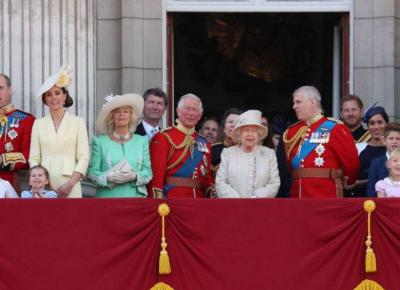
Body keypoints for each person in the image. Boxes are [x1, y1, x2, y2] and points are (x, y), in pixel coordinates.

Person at [282, 86, 359, 198]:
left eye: (298, 102)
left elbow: (351, 163)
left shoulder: (334, 128)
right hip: (297, 196)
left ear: (313, 102)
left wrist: (348, 181)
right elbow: (288, 168)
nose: (294, 106)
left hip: (325, 196)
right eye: (294, 103)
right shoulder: (292, 131)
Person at [29, 65, 89, 198]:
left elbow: (84, 157)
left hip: (71, 183)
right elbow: (34, 157)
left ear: (65, 95)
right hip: (43, 185)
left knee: (72, 218)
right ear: (45, 99)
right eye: (49, 94)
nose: (53, 97)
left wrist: (71, 183)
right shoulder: (38, 123)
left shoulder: (78, 122)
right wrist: (39, 181)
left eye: (57, 93)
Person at [148, 93, 214, 198]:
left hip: (199, 201)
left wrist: (211, 190)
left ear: (200, 115)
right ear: (178, 111)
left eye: (195, 110)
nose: (191, 113)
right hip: (172, 199)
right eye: (187, 108)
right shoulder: (163, 137)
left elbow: (207, 179)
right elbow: (157, 174)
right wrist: (156, 199)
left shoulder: (205, 144)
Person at [87, 93, 152, 198]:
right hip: (108, 199)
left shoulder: (142, 141)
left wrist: (134, 176)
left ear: (131, 116)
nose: (122, 114)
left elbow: (148, 172)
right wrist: (108, 177)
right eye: (117, 112)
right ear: (111, 116)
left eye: (126, 111)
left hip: (136, 199)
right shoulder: (99, 142)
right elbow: (92, 173)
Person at [216, 110, 280, 198]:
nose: (250, 134)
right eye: (246, 131)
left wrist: (255, 198)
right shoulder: (228, 153)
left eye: (253, 131)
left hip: (261, 207)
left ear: (258, 134)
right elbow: (220, 182)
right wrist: (239, 201)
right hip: (233, 207)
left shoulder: (269, 154)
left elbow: (274, 183)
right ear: (239, 134)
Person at [0, 73, 35, 190]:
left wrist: (2, 160)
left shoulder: (26, 120)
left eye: (0, 88)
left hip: (8, 184)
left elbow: (30, 155)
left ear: (10, 90)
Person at [346, 104, 388, 197]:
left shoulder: (393, 150)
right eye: (372, 123)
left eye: (380, 122)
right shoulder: (358, 148)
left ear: (386, 124)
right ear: (368, 127)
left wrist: (362, 182)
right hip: (360, 199)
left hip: (387, 201)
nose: (376, 127)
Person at [366, 122, 400, 197]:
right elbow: (370, 191)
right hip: (382, 206)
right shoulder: (376, 163)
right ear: (384, 141)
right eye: (391, 138)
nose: (394, 141)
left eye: (398, 139)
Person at [211, 108, 242, 177]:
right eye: (230, 122)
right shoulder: (212, 150)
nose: (233, 125)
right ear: (224, 129)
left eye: (237, 122)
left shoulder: (250, 151)